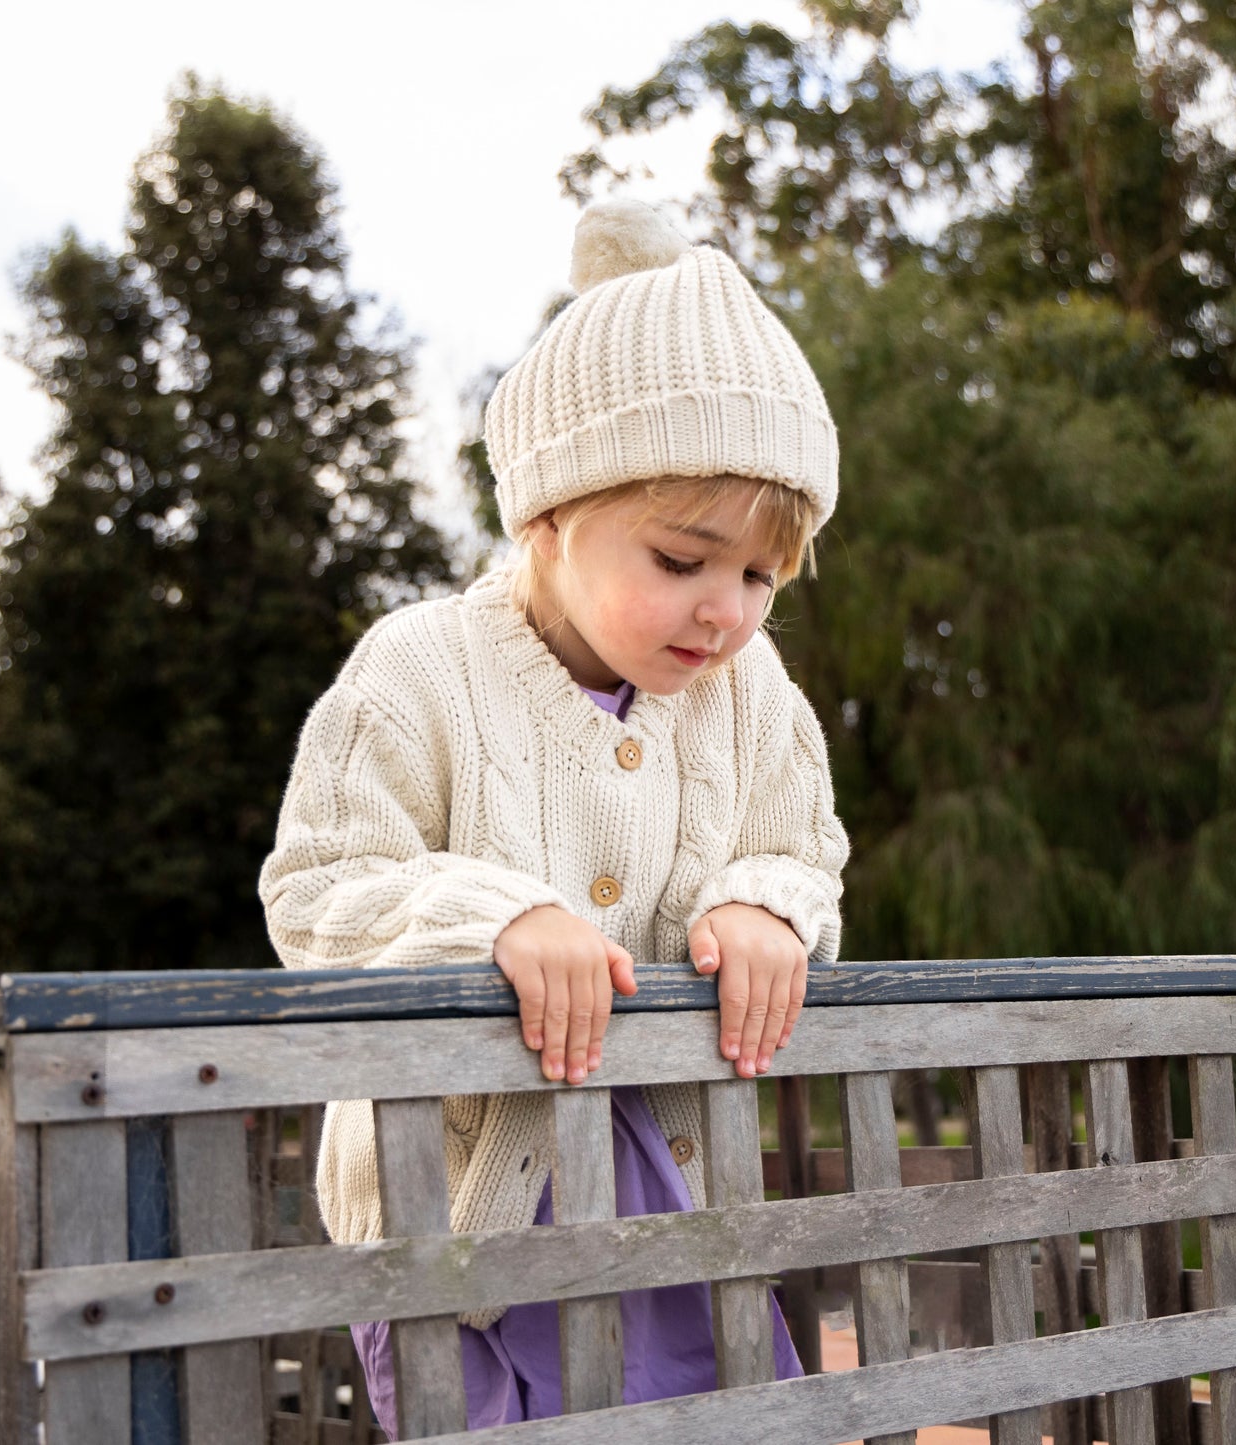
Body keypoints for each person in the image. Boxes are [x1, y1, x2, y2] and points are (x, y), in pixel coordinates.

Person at [259, 197, 849, 1434]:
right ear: (547, 516)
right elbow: (315, 889)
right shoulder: (419, 668)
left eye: (757, 575)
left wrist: (763, 903)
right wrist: (496, 915)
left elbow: (804, 849)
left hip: (672, 1203)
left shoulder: (752, 695)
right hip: (463, 1211)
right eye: (681, 561)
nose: (724, 611)